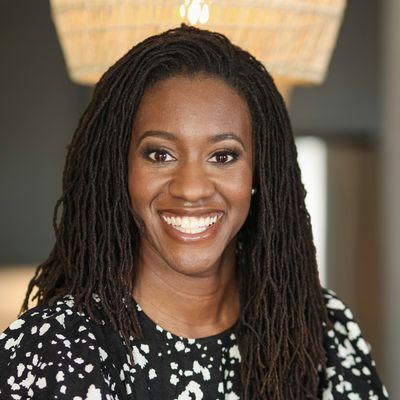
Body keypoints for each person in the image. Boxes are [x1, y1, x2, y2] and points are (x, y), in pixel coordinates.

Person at [0, 24, 389, 400]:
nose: (191, 188)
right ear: (120, 169)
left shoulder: (323, 333)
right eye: (160, 154)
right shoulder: (52, 348)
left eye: (223, 156)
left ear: (259, 172)